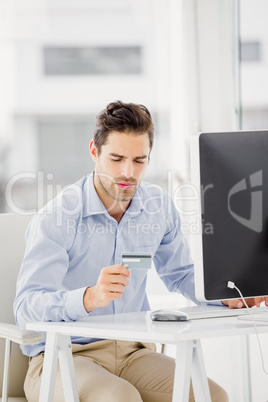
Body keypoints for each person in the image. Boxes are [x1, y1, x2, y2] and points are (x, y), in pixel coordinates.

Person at [14, 100, 262, 402]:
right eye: (116, 159)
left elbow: (181, 275)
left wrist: (225, 294)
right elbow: (26, 308)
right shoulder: (58, 217)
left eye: (139, 160)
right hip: (64, 355)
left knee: (212, 395)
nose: (128, 173)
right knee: (121, 397)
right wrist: (88, 297)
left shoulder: (157, 206)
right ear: (94, 151)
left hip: (135, 351)